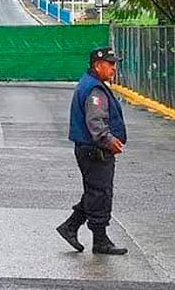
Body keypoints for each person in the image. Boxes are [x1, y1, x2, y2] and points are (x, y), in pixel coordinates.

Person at [56, 47, 128, 255]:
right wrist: (108, 140)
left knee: (96, 192)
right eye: (110, 63)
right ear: (98, 65)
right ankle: (100, 240)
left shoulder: (93, 84)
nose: (114, 68)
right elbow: (95, 121)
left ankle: (71, 227)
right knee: (100, 193)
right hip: (95, 150)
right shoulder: (94, 90)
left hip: (92, 149)